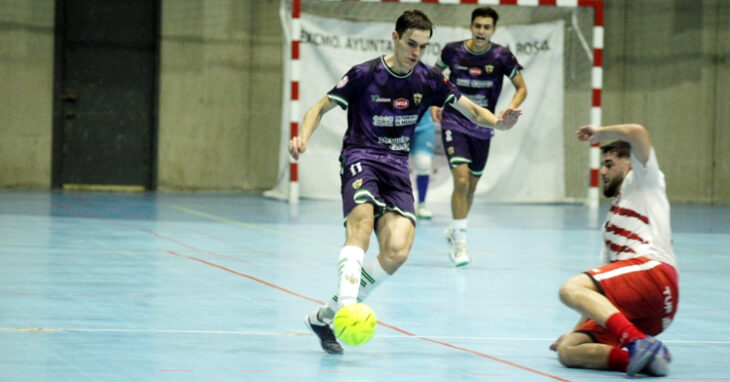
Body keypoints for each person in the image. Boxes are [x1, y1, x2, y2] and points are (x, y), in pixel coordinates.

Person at [289, 9, 522, 354]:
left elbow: (472, 109)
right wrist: (302, 137)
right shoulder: (363, 74)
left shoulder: (428, 79)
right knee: (362, 226)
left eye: (423, 46)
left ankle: (325, 316)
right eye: (411, 44)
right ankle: (350, 307)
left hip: (397, 167)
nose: (416, 52)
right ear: (395, 37)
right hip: (361, 157)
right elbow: (318, 108)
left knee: (397, 251)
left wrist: (498, 124)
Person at [550, 123, 679, 377]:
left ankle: (635, 341)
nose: (603, 171)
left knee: (570, 289)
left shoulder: (644, 181)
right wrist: (576, 332)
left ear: (630, 163)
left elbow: (638, 132)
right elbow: (601, 297)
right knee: (569, 350)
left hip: (654, 274)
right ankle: (644, 359)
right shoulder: (609, 227)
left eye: (609, 164)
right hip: (651, 314)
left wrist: (600, 133)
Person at [433, 7, 528, 267]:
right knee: (461, 180)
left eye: (487, 27)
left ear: (493, 30)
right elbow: (433, 75)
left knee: (471, 187)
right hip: (455, 120)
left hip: (484, 125)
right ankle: (461, 244)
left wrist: (510, 107)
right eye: (478, 26)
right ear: (471, 26)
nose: (481, 31)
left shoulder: (501, 56)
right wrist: (435, 101)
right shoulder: (452, 51)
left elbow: (522, 88)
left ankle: (455, 230)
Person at [410, 110, 438, 219]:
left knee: (424, 163)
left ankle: (422, 204)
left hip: (424, 123)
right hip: (398, 123)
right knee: (394, 162)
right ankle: (392, 202)